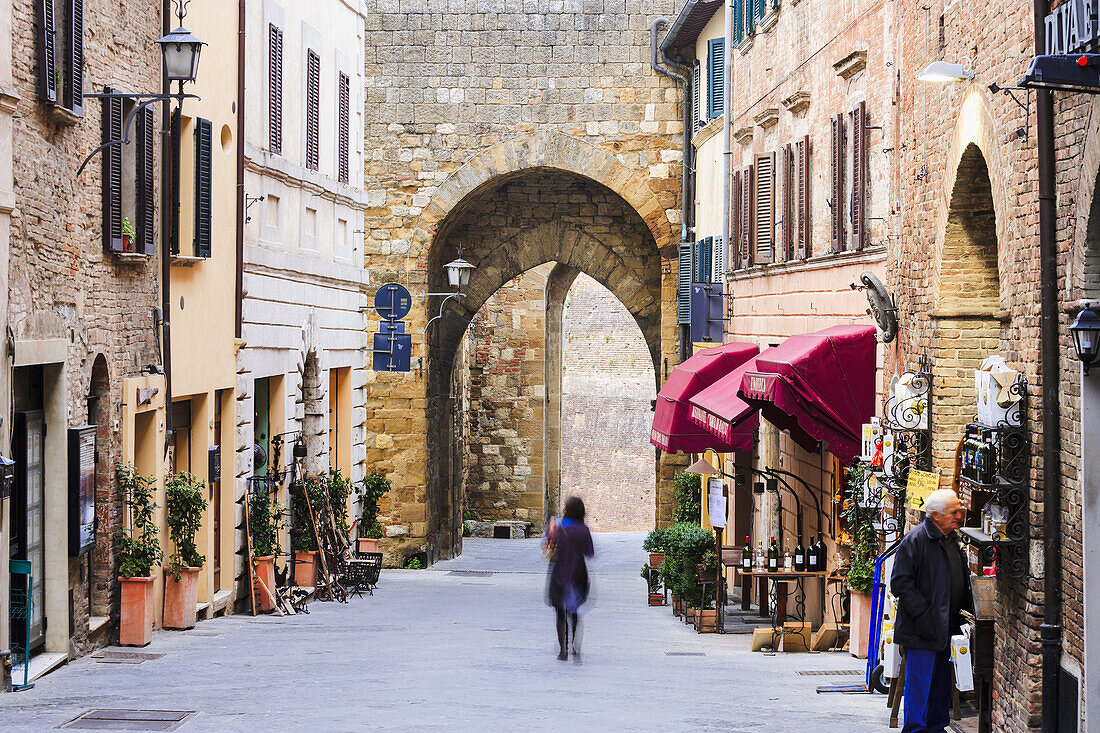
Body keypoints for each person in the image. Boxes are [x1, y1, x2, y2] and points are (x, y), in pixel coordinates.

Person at [890, 488, 973, 733]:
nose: (959, 516)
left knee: (940, 688)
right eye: (953, 512)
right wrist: (926, 615)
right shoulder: (916, 540)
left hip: (945, 627)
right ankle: (915, 731)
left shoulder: (951, 540)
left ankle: (937, 728)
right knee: (920, 687)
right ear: (936, 515)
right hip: (922, 630)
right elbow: (900, 583)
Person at [544, 496, 594, 661]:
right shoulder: (584, 529)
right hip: (578, 573)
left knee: (560, 613)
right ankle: (575, 646)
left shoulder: (558, 527)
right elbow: (589, 552)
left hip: (559, 572)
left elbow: (548, 544)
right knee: (574, 613)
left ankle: (563, 650)